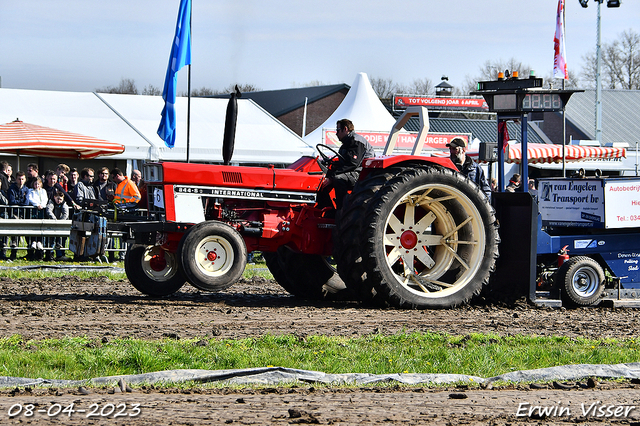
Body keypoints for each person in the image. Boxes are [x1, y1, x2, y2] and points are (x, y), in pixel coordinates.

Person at [317, 119, 375, 210]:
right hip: (351, 170)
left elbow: (352, 164)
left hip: (361, 173)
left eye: (338, 130)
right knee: (320, 180)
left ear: (345, 129)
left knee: (338, 179)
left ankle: (343, 209)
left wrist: (332, 177)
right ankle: (327, 208)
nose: (336, 133)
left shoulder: (357, 141)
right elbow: (344, 162)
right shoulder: (345, 144)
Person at [45, 191, 70, 261]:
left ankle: (60, 255)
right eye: (57, 199)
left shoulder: (64, 204)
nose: (59, 201)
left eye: (60, 199)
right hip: (52, 224)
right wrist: (54, 220)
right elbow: (49, 210)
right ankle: (50, 255)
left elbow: (65, 214)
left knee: (61, 241)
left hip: (60, 225)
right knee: (51, 241)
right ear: (54, 197)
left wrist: (60, 222)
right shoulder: (51, 202)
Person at [27, 177, 48, 260]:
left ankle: (40, 241)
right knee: (34, 226)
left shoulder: (43, 191)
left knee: (41, 226)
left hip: (41, 210)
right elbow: (30, 199)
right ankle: (33, 241)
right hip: (34, 209)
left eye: (38, 184)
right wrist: (37, 205)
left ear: (41, 184)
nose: (37, 185)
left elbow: (45, 199)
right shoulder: (31, 191)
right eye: (35, 184)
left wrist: (42, 205)